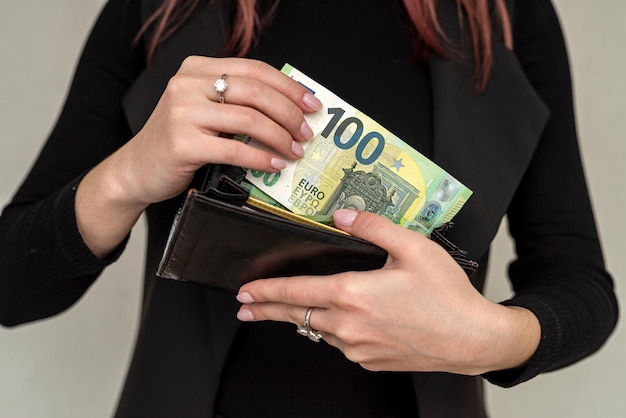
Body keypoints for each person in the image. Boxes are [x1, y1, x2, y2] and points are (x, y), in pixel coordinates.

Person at [0, 0, 618, 417]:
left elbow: (581, 287)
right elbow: (11, 288)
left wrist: (489, 340)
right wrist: (126, 175)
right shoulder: (163, 9)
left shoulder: (504, 16)